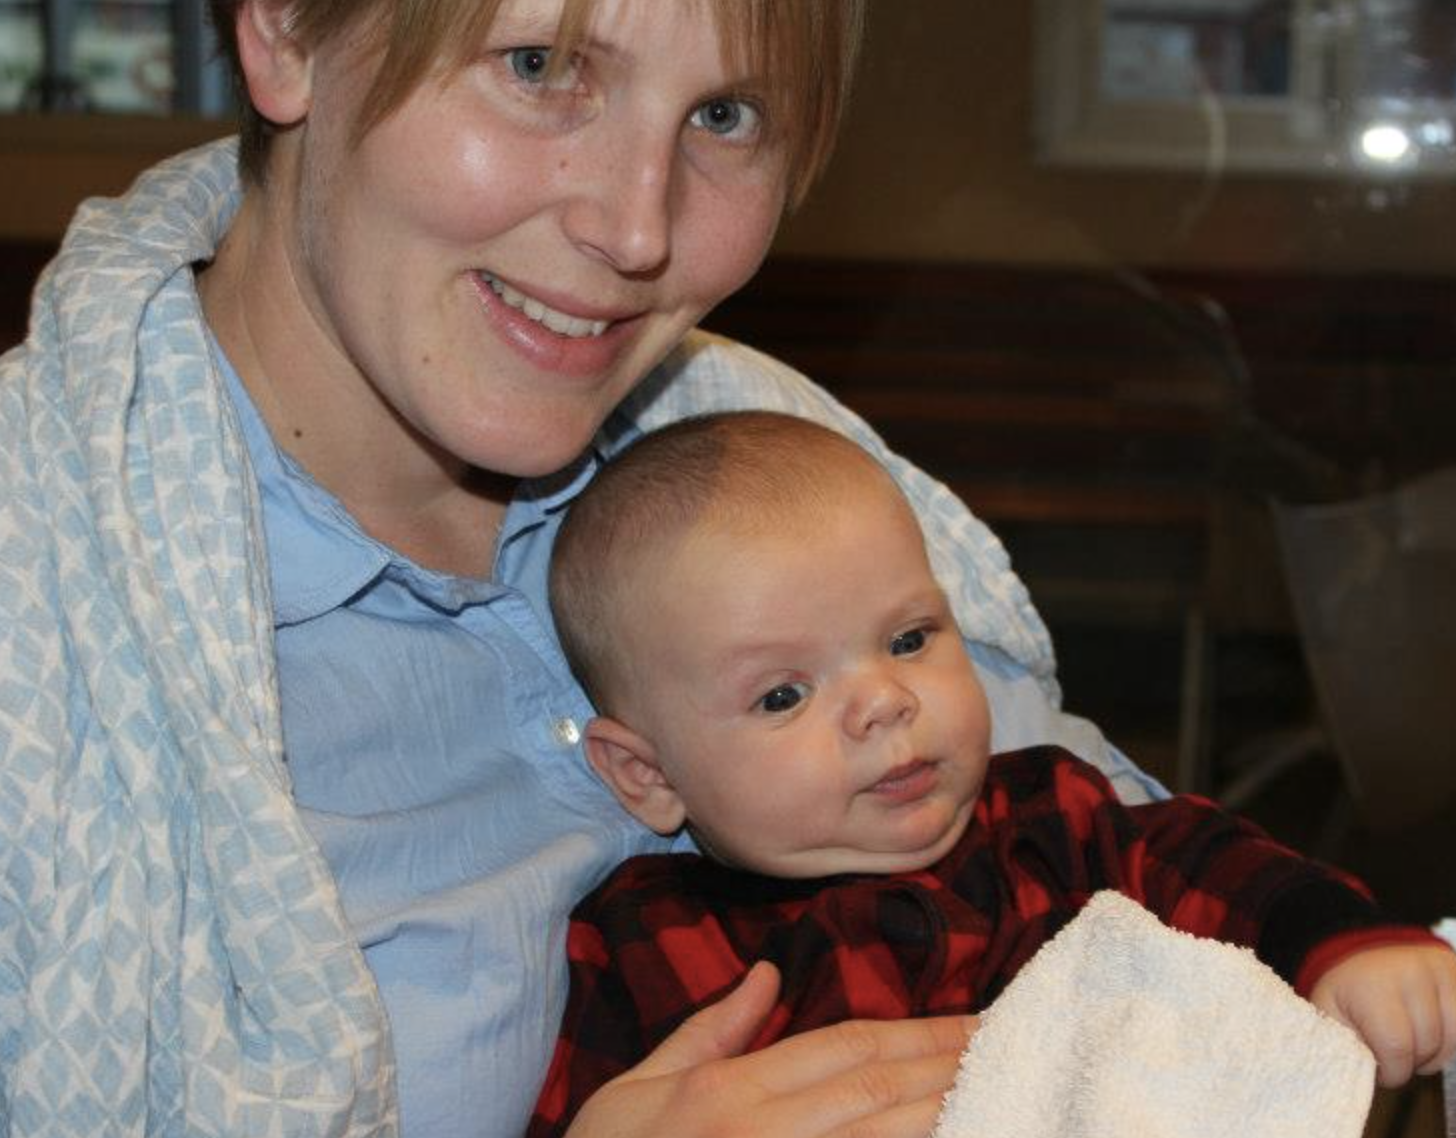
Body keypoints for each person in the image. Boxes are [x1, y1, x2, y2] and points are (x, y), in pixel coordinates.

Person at [0, 2, 1164, 1136]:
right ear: (289, 32)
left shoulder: (761, 461)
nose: (636, 227)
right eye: (538, 66)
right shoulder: (39, 625)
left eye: (723, 115)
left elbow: (1153, 896)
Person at [532, 409, 1456, 1137]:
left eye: (908, 639)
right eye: (783, 695)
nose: (885, 700)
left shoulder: (1052, 818)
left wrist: (1345, 944)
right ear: (647, 775)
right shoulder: (644, 940)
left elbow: (1219, 868)